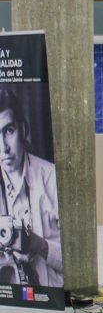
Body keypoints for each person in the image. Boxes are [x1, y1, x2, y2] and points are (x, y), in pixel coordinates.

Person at [0, 88, 62, 288]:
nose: (3, 147)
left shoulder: (53, 179)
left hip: (52, 302)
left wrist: (41, 246)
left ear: (23, 129)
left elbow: (81, 261)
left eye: (8, 131)